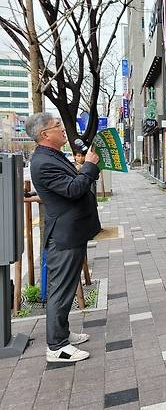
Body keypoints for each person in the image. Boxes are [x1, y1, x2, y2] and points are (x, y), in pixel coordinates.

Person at [26, 113, 101, 363]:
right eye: (57, 126)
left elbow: (73, 182)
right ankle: (57, 347)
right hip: (64, 235)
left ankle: (63, 334)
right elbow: (72, 189)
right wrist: (89, 166)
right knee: (60, 290)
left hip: (73, 231)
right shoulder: (43, 162)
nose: (62, 128)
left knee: (66, 288)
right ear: (44, 135)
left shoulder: (52, 156)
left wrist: (87, 168)